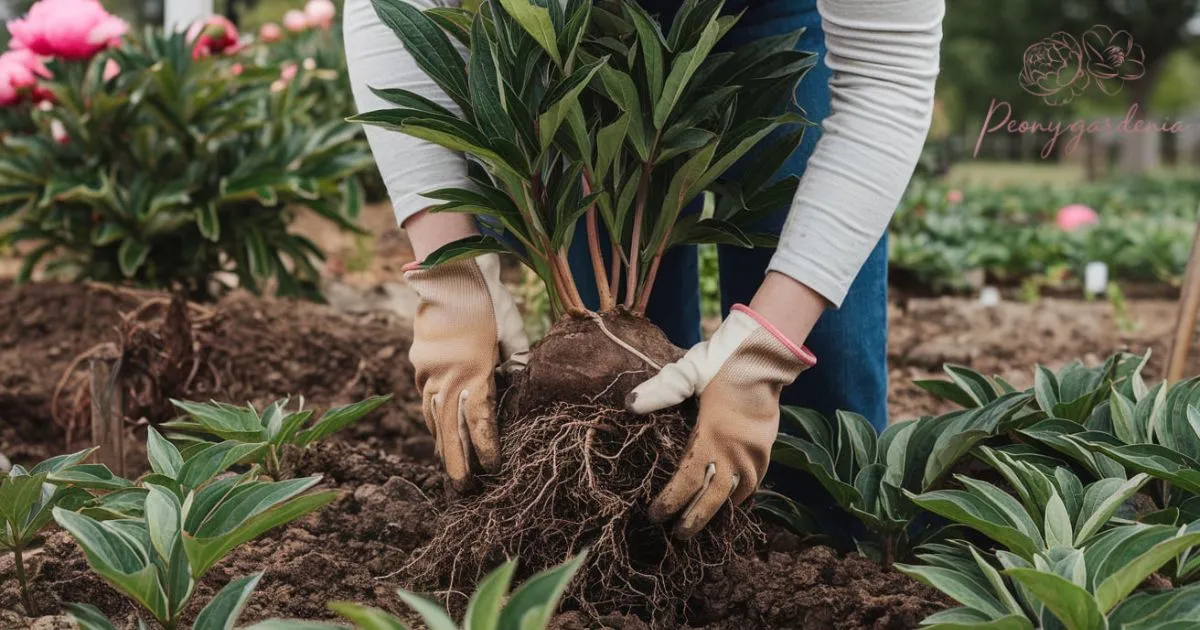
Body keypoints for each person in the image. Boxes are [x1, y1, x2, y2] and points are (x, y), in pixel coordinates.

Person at [345, 0, 943, 539]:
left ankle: (830, 560)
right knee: (616, 385)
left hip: (778, 15)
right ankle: (631, 549)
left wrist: (766, 351)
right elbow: (393, 9)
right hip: (581, 30)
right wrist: (452, 280)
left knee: (823, 387)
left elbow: (887, 75)